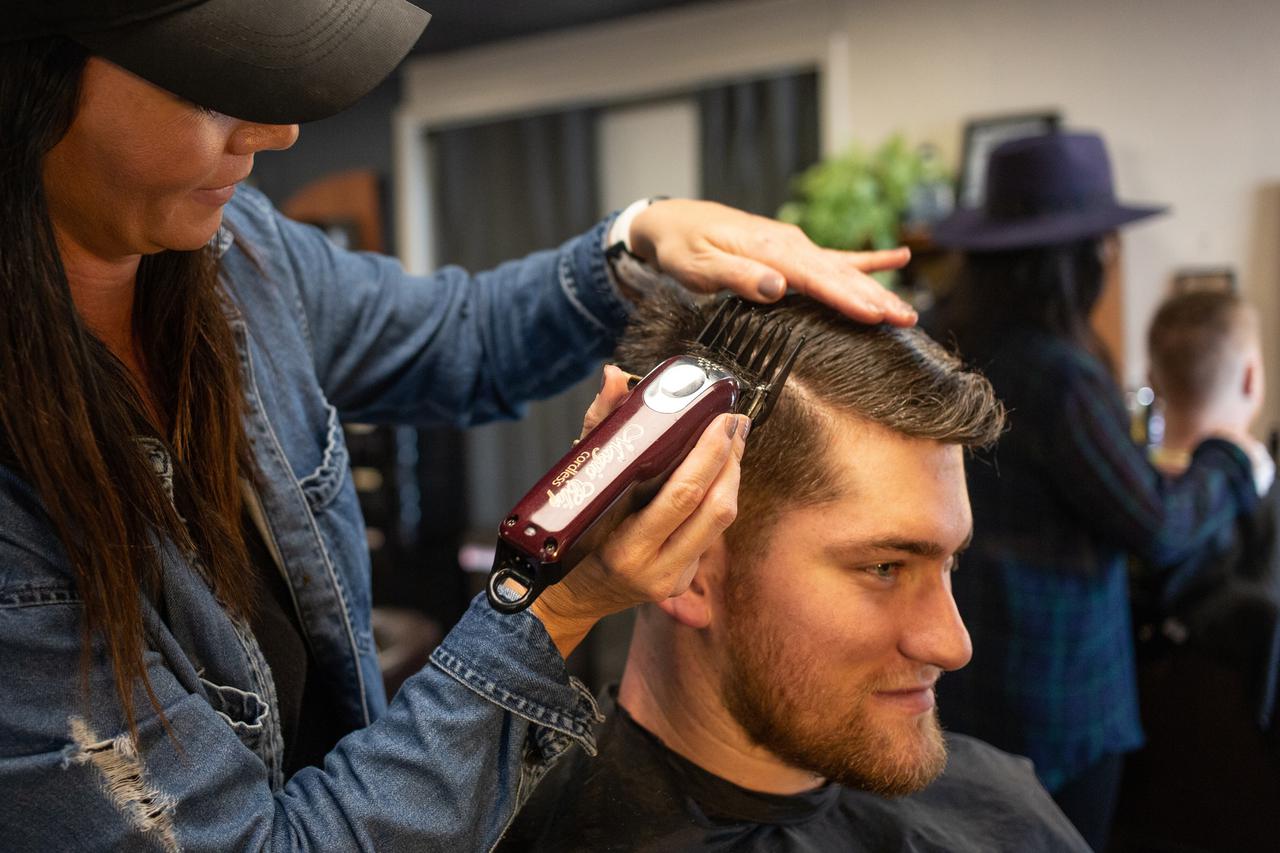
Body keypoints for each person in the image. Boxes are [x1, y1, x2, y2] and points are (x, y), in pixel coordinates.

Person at [0, 2, 918, 850]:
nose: (276, 132)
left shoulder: (243, 254)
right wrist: (550, 605)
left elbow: (462, 339)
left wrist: (638, 242)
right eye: (211, 90)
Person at [496, 293, 1091, 852]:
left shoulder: (1003, 803)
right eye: (884, 567)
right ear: (688, 559)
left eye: (950, 561)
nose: (952, 644)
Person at [926, 132, 1265, 851]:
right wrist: (1229, 460)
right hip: (1058, 698)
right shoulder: (1060, 376)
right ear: (1078, 258)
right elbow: (1159, 527)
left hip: (960, 672)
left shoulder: (940, 343)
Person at [1113, 290, 1280, 853]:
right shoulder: (1257, 499)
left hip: (1136, 798)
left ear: (1154, 382)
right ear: (1252, 378)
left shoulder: (1115, 501)